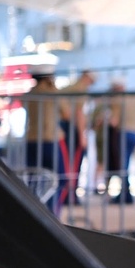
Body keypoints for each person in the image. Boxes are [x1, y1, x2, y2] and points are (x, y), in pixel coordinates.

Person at [23, 63, 65, 213]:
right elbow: (66, 112)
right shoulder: (52, 93)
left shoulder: (28, 94)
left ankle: (35, 212)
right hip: (50, 139)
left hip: (31, 139)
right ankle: (53, 212)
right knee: (58, 177)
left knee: (34, 180)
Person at [57, 69, 95, 205]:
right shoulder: (80, 89)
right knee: (74, 164)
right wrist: (82, 135)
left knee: (67, 163)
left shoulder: (70, 86)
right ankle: (70, 196)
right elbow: (79, 113)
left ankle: (67, 195)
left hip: (63, 126)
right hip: (71, 128)